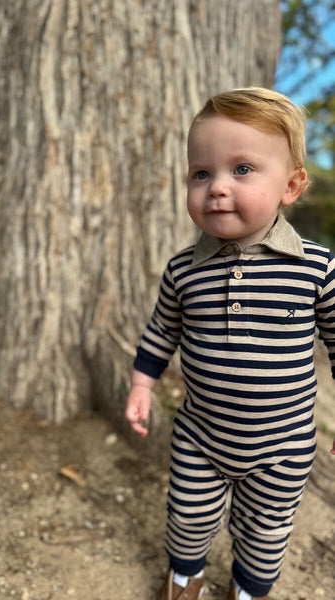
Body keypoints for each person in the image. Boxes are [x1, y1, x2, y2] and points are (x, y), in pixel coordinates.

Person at [125, 87, 335, 600]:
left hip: (282, 447)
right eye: (202, 173)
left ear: (291, 186)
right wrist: (140, 384)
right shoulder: (183, 269)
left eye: (242, 169)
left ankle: (248, 589)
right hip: (200, 436)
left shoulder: (316, 267)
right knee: (187, 519)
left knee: (265, 534)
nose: (217, 187)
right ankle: (184, 577)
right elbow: (161, 332)